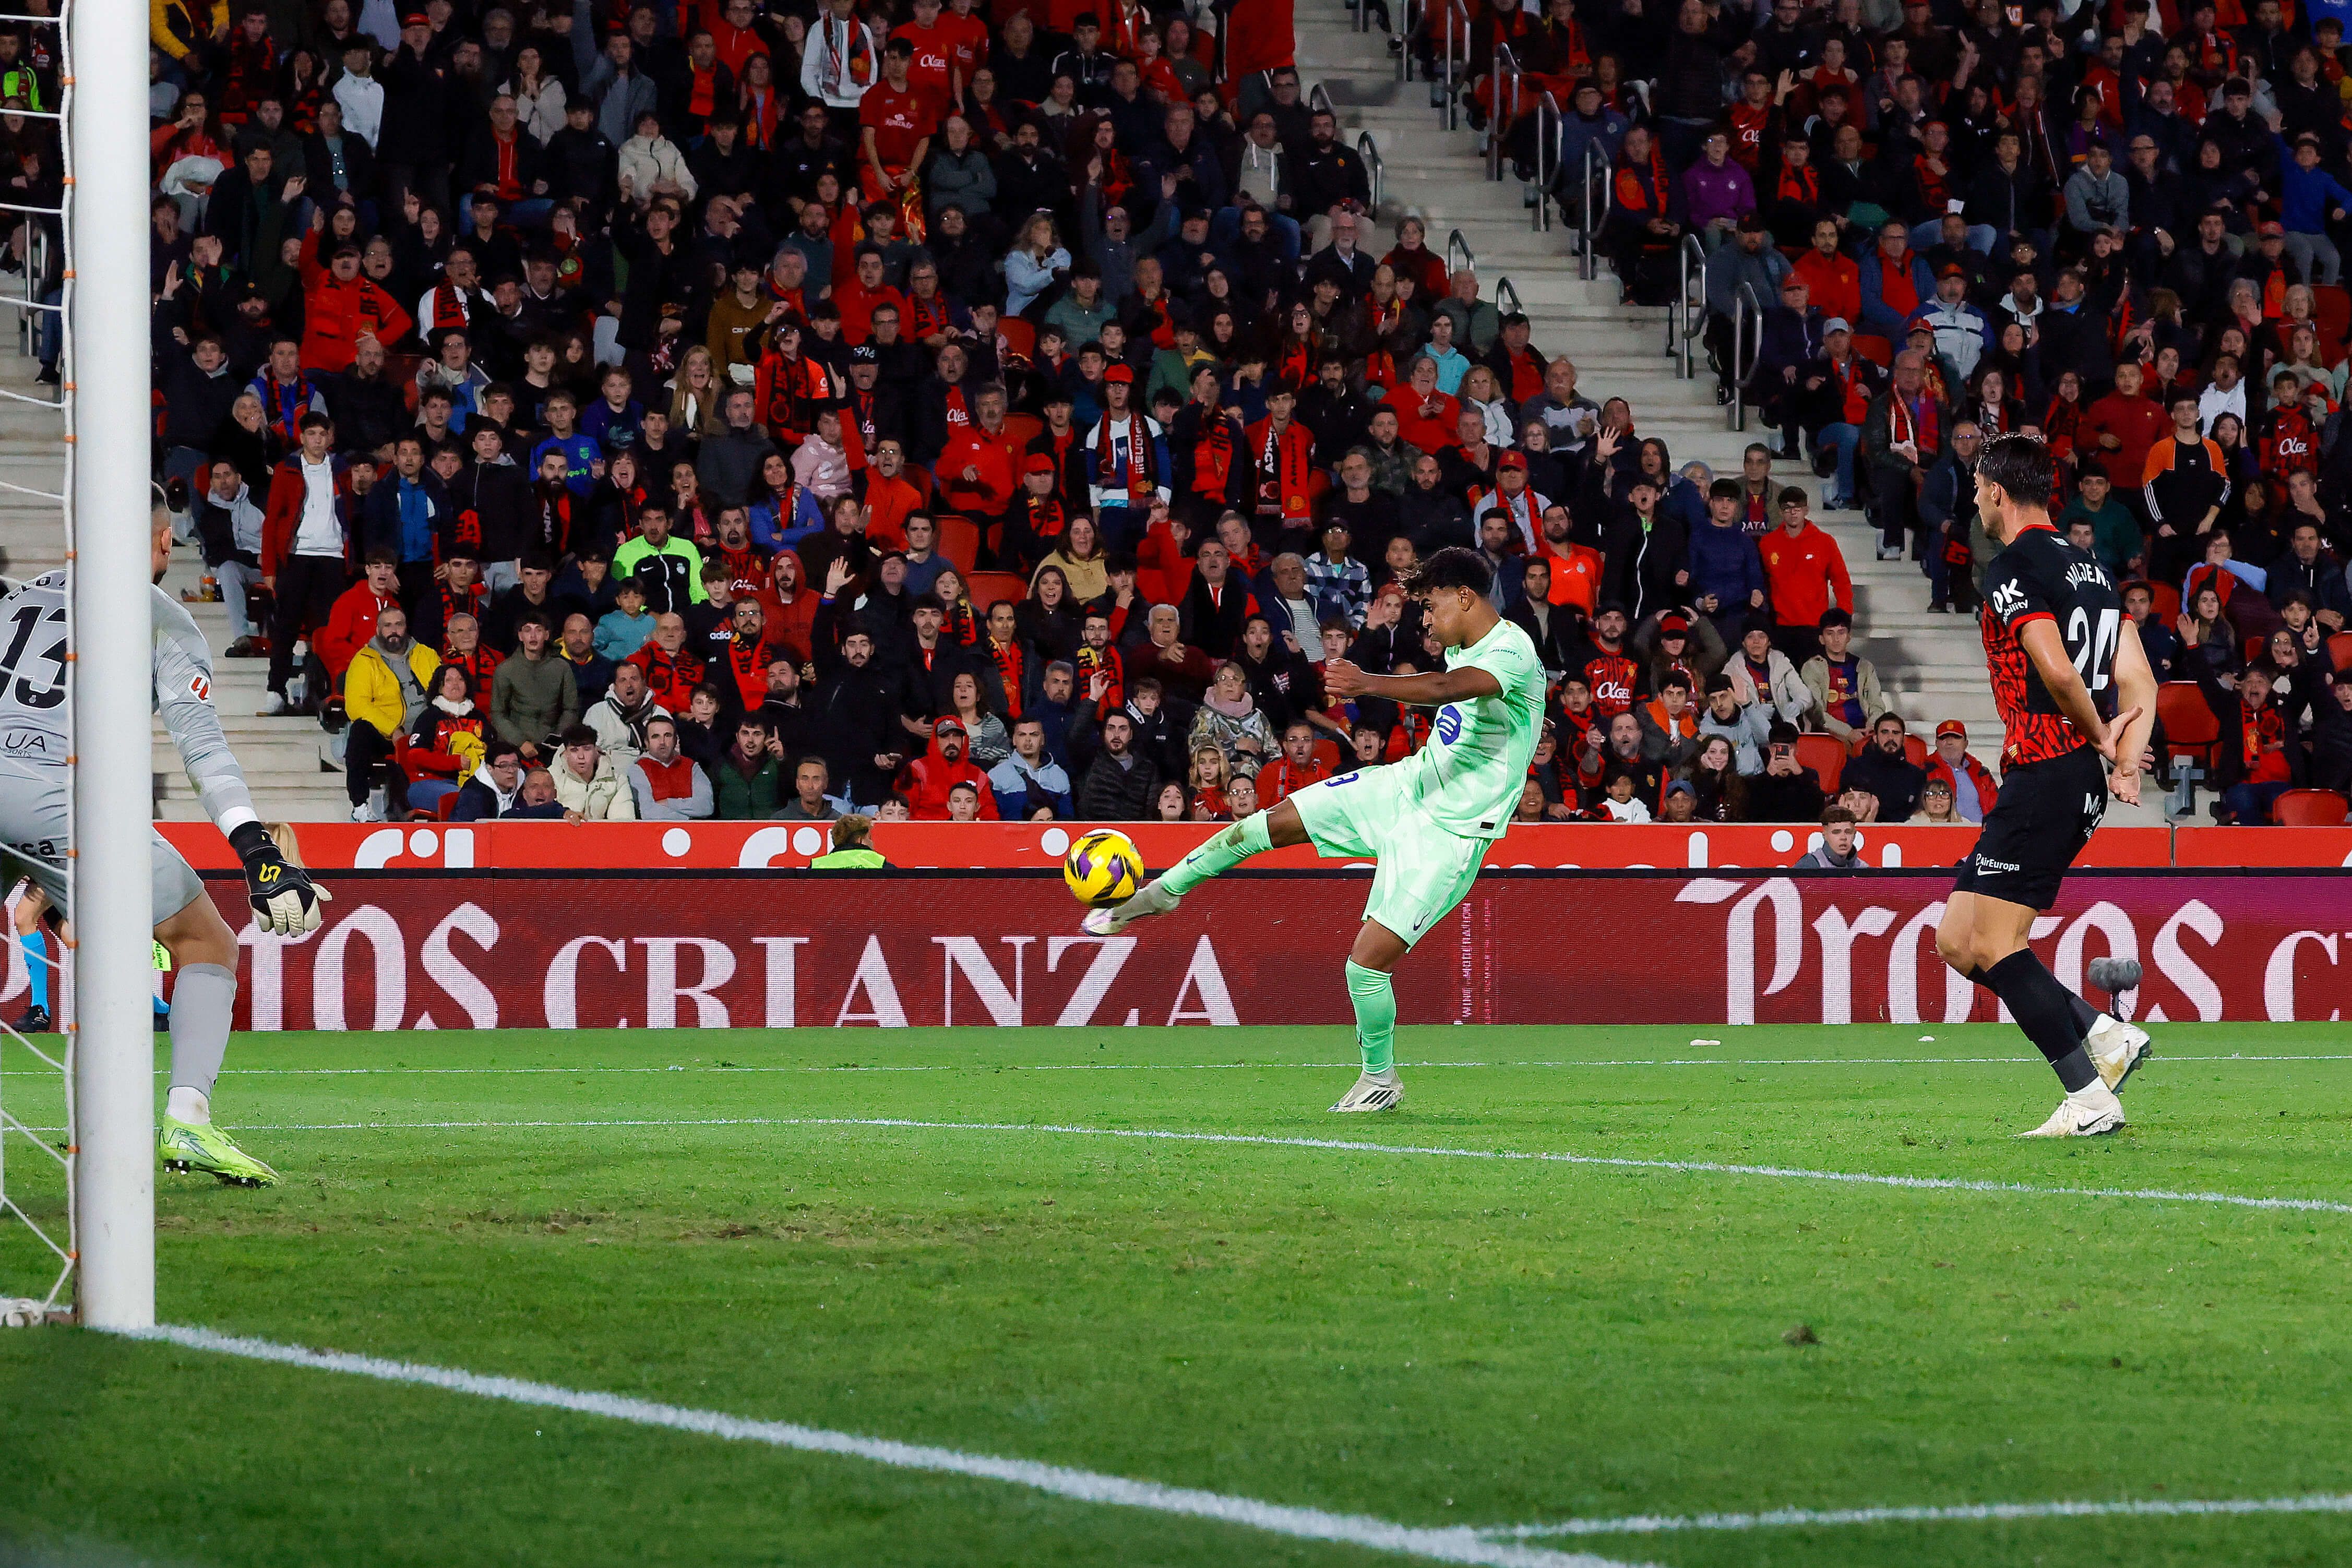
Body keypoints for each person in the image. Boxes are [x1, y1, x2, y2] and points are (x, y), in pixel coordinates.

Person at [1085, 547, 1544, 1115]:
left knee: (1365, 966)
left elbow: (1448, 690)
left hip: (1447, 833)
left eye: (1430, 604)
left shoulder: (1511, 648)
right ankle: (1160, 893)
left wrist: (1364, 681)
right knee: (1261, 825)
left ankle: (1380, 1078)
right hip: (1404, 787)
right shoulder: (1462, 647)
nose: (1424, 618)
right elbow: (1480, 700)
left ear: (1465, 598)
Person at [0, 510, 326, 1187]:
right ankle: (188, 1120)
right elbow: (203, 750)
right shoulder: (162, 618)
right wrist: (255, 848)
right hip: (57, 794)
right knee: (205, 942)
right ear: (158, 541)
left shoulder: (17, 597)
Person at [1935, 433, 2158, 1139]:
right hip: (2066, 775)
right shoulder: (2090, 568)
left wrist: (2098, 736)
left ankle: (2087, 1096)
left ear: (1996, 491)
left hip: (2045, 768)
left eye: (1976, 488)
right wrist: (2123, 760)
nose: (1974, 499)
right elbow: (2141, 681)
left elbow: (2058, 672)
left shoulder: (2012, 567)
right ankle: (2101, 1033)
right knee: (1955, 939)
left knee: (1996, 944)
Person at [1794, 805, 1865, 867]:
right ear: (1825, 835)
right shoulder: (1809, 865)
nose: (1843, 838)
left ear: (1855, 835)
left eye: (1848, 832)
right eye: (1836, 832)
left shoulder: (1862, 868)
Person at [810, 813, 890, 868]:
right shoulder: (879, 863)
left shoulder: (817, 865)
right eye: (869, 838)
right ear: (860, 840)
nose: (872, 843)